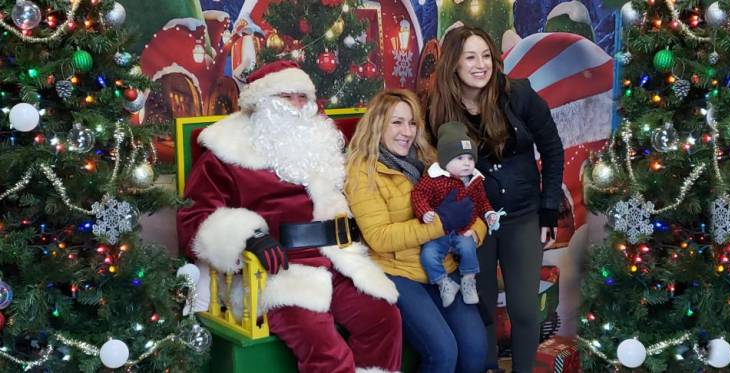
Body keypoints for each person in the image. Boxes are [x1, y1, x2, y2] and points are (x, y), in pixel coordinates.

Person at [177, 60, 402, 373]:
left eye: (303, 97)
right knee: (328, 353)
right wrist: (249, 236)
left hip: (336, 262)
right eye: (287, 97)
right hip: (279, 274)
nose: (298, 106)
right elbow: (195, 218)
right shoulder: (226, 152)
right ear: (262, 102)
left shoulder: (319, 142)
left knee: (384, 319)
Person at [428, 26, 564, 373]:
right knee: (482, 306)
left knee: (524, 308)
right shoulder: (440, 109)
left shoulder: (518, 95)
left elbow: (551, 149)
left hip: (522, 214)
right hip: (474, 222)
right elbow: (433, 170)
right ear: (453, 65)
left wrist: (548, 212)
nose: (481, 65)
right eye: (470, 57)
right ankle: (487, 367)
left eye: (486, 56)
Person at [345, 89, 488, 373]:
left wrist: (476, 231)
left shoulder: (430, 159)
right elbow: (380, 237)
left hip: (442, 268)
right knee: (443, 352)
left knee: (475, 350)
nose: (406, 131)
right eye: (397, 122)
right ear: (378, 124)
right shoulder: (363, 171)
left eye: (412, 123)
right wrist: (441, 223)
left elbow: (473, 201)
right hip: (398, 272)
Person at [411, 121, 501, 308]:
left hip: (463, 231)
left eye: (470, 158)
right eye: (460, 159)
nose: (467, 163)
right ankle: (444, 283)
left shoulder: (475, 180)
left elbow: (483, 202)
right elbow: (418, 194)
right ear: (445, 160)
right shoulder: (434, 179)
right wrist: (424, 211)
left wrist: (490, 214)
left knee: (468, 249)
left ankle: (468, 280)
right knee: (428, 255)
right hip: (438, 232)